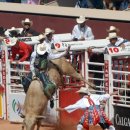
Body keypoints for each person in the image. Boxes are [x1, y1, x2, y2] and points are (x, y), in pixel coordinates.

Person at [22, 33, 71, 98]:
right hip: (36, 71)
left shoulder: (46, 54)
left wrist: (65, 53)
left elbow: (55, 56)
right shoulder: (34, 54)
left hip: (43, 72)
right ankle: (27, 94)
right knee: (25, 82)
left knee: (49, 86)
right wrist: (33, 73)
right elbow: (31, 64)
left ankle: (50, 98)